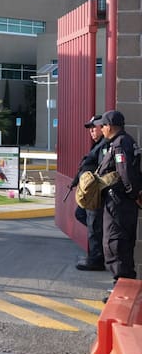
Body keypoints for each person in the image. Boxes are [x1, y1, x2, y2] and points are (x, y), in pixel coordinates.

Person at [93, 110, 140, 281]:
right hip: (119, 202)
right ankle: (121, 285)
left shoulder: (120, 144)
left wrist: (132, 194)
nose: (102, 129)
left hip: (118, 203)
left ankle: (121, 287)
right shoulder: (121, 142)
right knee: (119, 244)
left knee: (116, 243)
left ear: (110, 126)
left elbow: (125, 172)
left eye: (103, 126)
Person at [69, 114, 108, 271]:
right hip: (91, 192)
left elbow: (102, 169)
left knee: (94, 225)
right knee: (83, 216)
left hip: (96, 192)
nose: (91, 131)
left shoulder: (105, 145)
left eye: (94, 128)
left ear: (103, 127)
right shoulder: (98, 144)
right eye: (90, 129)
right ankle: (98, 252)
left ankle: (96, 259)